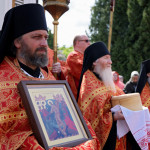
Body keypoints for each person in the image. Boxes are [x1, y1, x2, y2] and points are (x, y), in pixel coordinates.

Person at [0, 4, 100, 149]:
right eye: (37, 37)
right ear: (17, 42)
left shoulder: (48, 78)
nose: (44, 43)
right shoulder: (3, 77)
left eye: (46, 37)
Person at [77, 42, 127, 150]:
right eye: (106, 58)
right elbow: (90, 119)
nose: (110, 62)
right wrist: (113, 117)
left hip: (117, 136)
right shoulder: (88, 85)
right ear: (95, 61)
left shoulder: (106, 80)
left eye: (110, 58)